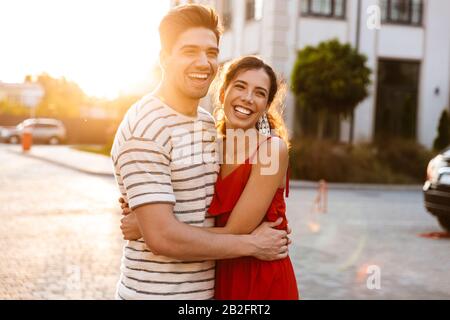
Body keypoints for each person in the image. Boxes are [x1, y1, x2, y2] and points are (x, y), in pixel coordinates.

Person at [112, 4, 290, 300]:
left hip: (209, 292)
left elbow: (201, 215)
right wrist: (254, 244)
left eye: (211, 52)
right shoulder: (144, 128)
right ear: (164, 58)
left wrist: (147, 226)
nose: (204, 62)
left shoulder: (208, 126)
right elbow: (164, 237)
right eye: (190, 51)